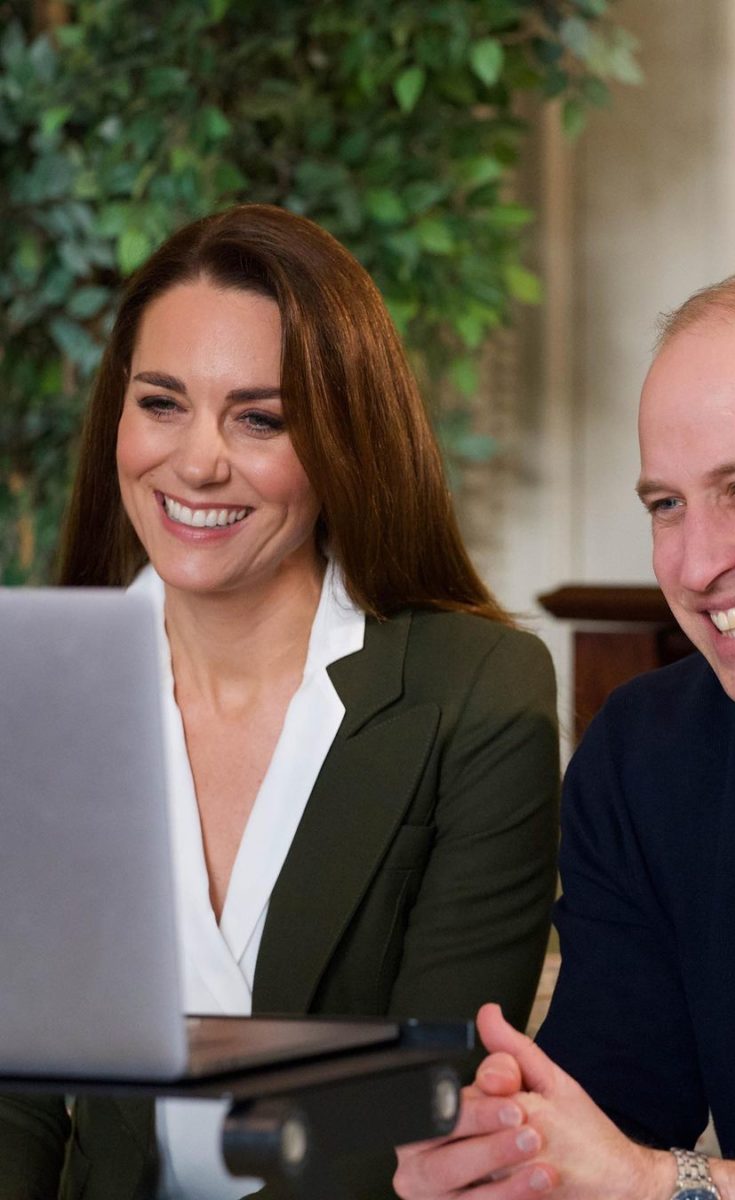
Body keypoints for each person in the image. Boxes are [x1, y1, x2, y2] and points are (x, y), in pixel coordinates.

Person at [0, 204, 559, 1200]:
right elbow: (17, 1091)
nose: (198, 460)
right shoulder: (43, 690)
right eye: (161, 403)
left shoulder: (481, 695)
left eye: (260, 418)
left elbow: (433, 1100)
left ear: (345, 438)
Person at [394, 268, 735, 1200]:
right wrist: (506, 1151)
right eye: (666, 505)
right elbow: (608, 1126)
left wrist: (677, 1187)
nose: (695, 565)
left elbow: (640, 1178)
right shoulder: (648, 754)